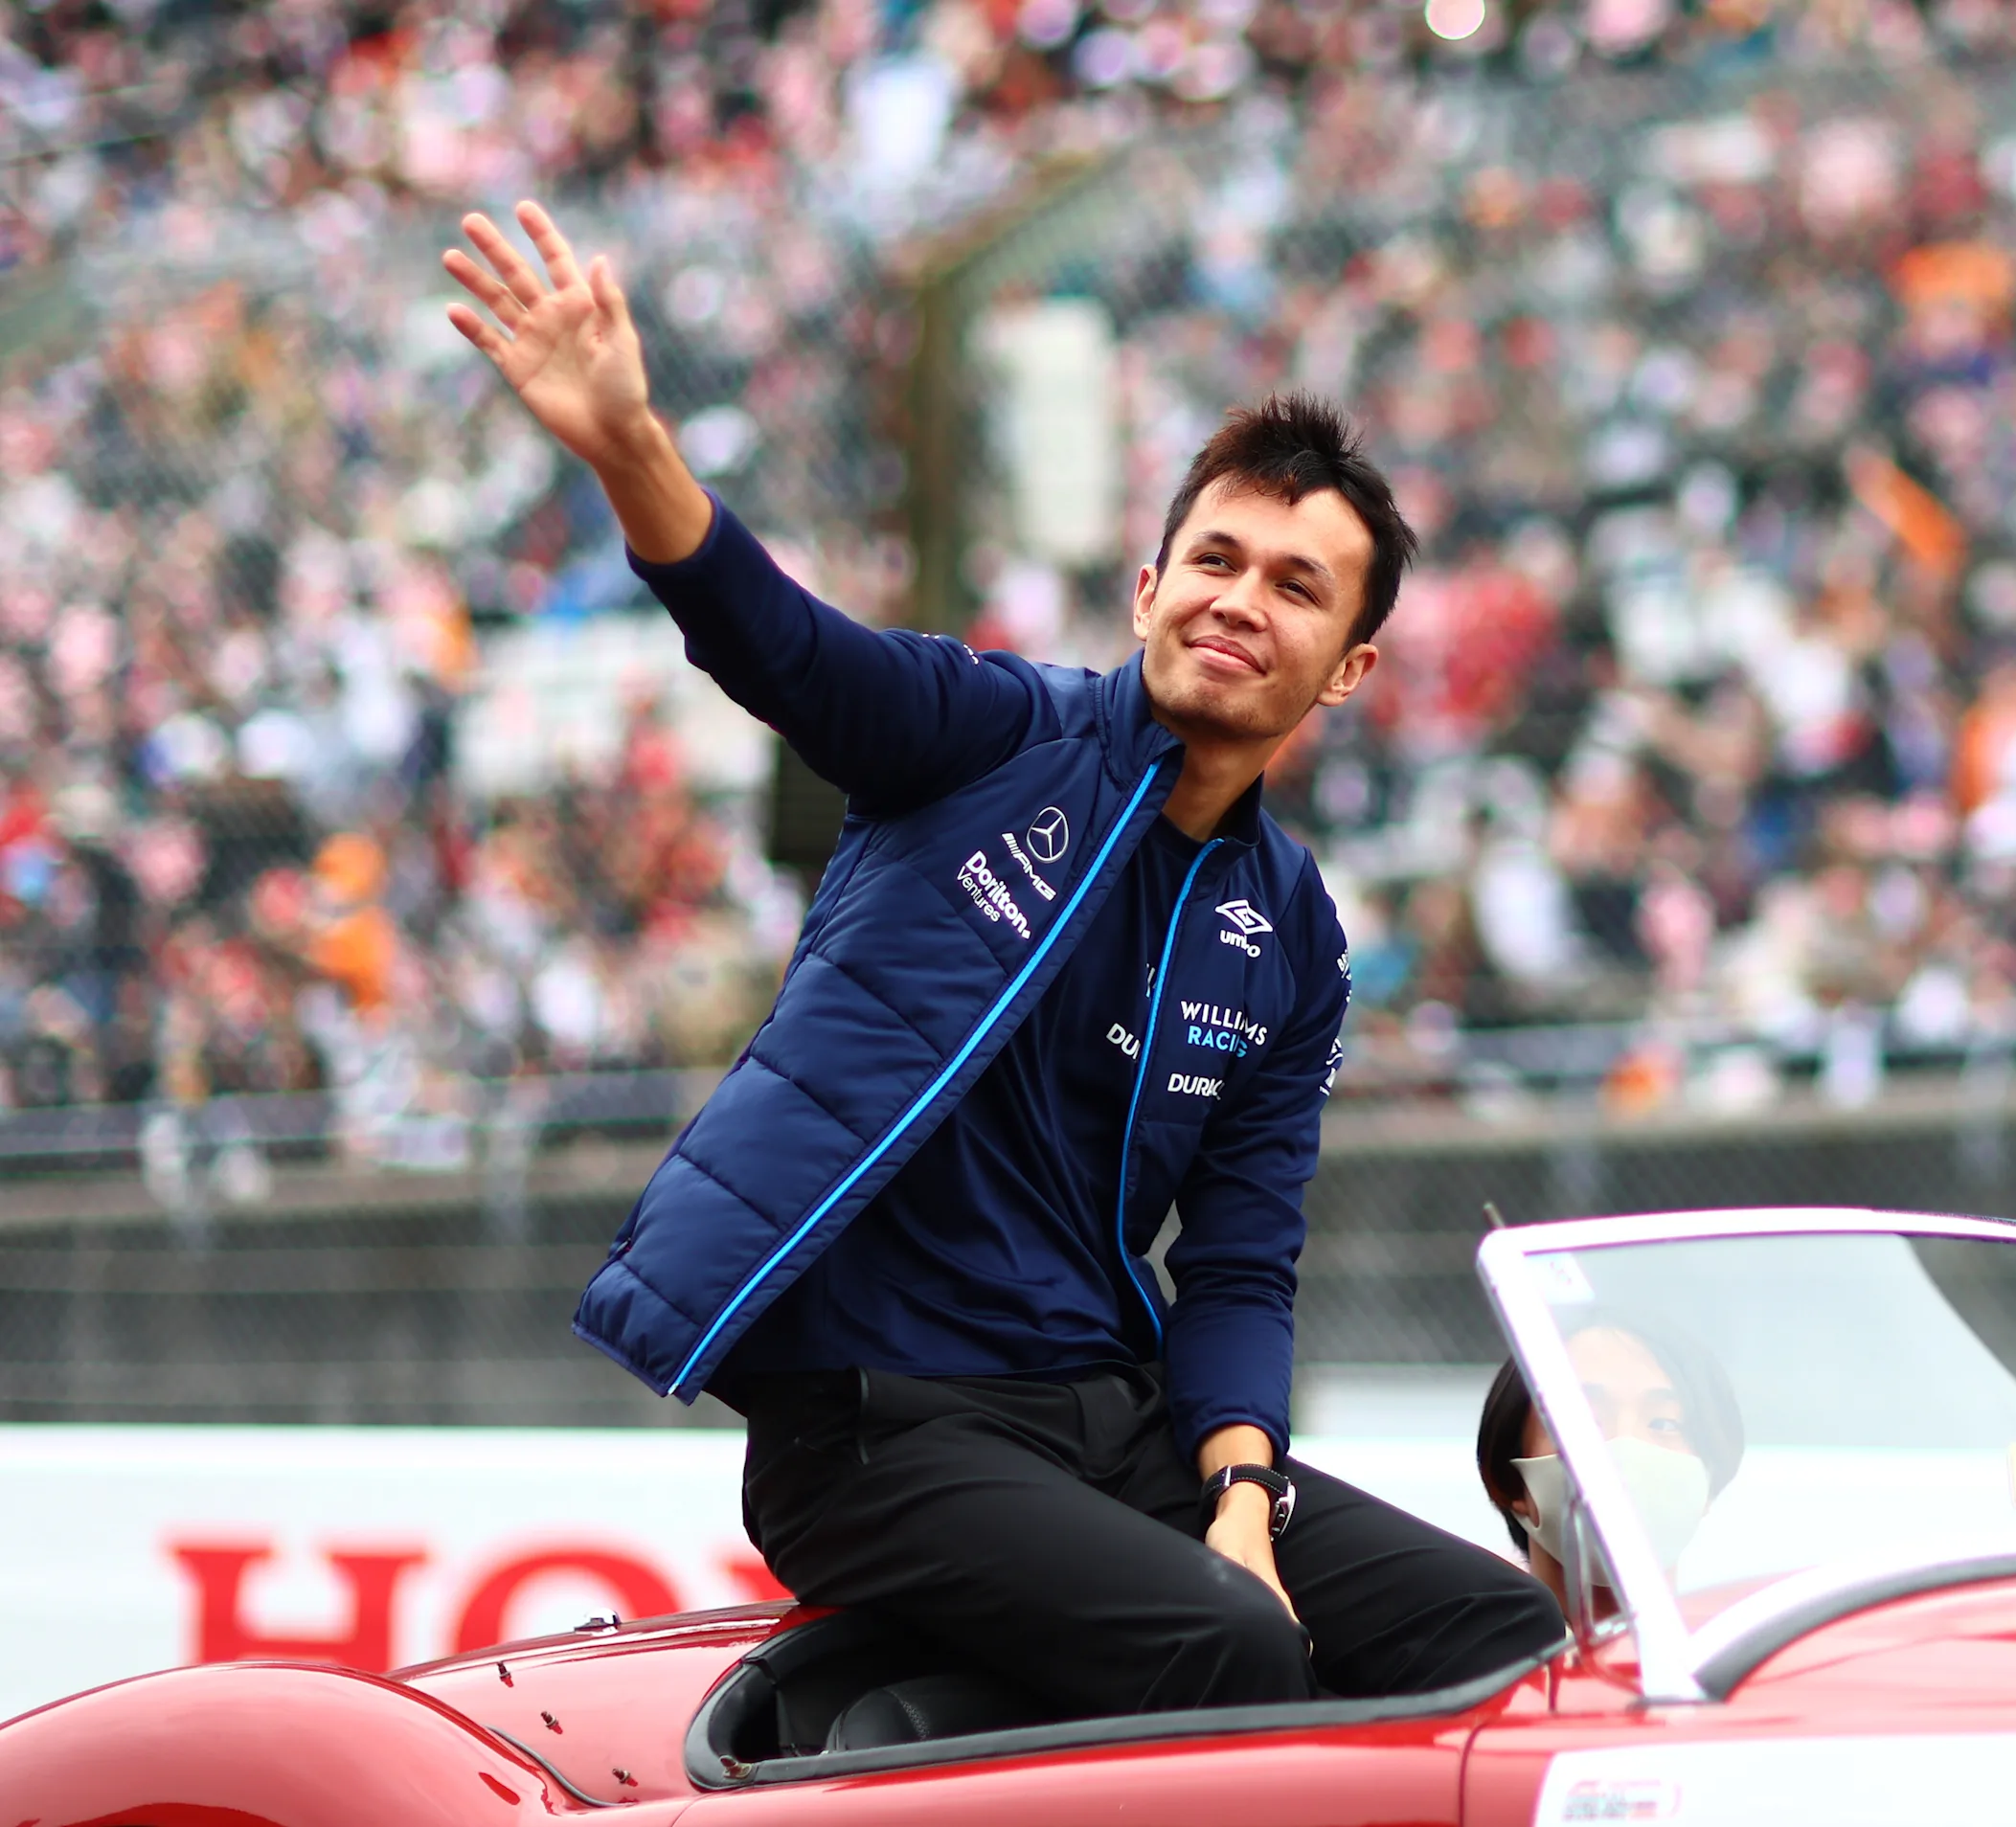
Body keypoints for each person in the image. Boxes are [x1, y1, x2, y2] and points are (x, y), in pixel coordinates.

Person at [442, 202, 1563, 1718]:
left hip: (1123, 1429)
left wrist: (1242, 1491)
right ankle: (891, 1716)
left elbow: (1239, 1261)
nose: (1241, 597)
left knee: (1506, 1637)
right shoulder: (987, 736)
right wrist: (629, 443)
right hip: (881, 1430)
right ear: (1147, 591)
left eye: (1297, 585)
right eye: (1214, 559)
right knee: (1227, 1647)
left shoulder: (1293, 936)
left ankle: (933, 1698)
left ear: (1351, 669)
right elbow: (780, 644)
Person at [1474, 1314, 1743, 1611]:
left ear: (1708, 1482)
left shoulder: (1750, 1649)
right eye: (1584, 1420)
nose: (1624, 1448)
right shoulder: (1465, 1652)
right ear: (1508, 1482)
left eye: (1665, 1423)